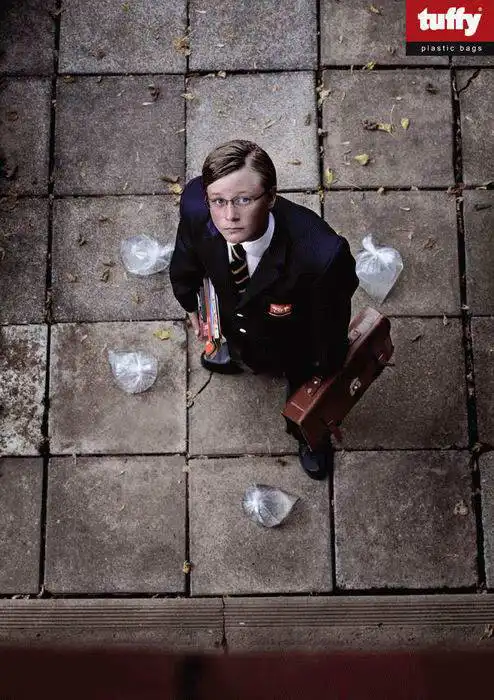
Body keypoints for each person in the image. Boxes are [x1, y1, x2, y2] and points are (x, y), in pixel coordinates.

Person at [169, 139, 359, 480]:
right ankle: (241, 356)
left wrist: (323, 372)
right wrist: (188, 301)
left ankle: (310, 437)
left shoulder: (321, 256)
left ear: (271, 197)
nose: (229, 216)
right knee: (240, 342)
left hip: (294, 341)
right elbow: (187, 254)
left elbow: (329, 325)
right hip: (235, 315)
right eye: (219, 201)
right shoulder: (198, 208)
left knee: (303, 389)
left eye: (244, 200)